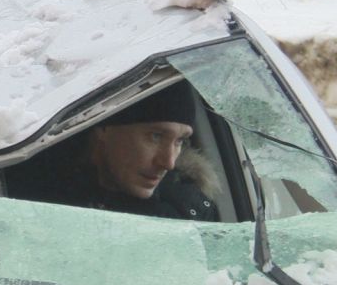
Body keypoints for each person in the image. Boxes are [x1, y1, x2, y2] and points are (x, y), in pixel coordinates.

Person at [25, 86, 218, 221]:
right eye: (156, 136)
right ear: (103, 129)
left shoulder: (192, 214)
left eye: (179, 141)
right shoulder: (29, 198)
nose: (168, 163)